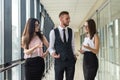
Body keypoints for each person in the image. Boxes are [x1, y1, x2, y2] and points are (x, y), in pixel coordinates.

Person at [49, 11, 76, 80]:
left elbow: (72, 45)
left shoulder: (71, 31)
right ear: (61, 19)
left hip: (70, 61)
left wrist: (74, 55)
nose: (69, 20)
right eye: (67, 19)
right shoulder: (53, 32)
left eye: (69, 18)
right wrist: (53, 53)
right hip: (59, 61)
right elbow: (50, 47)